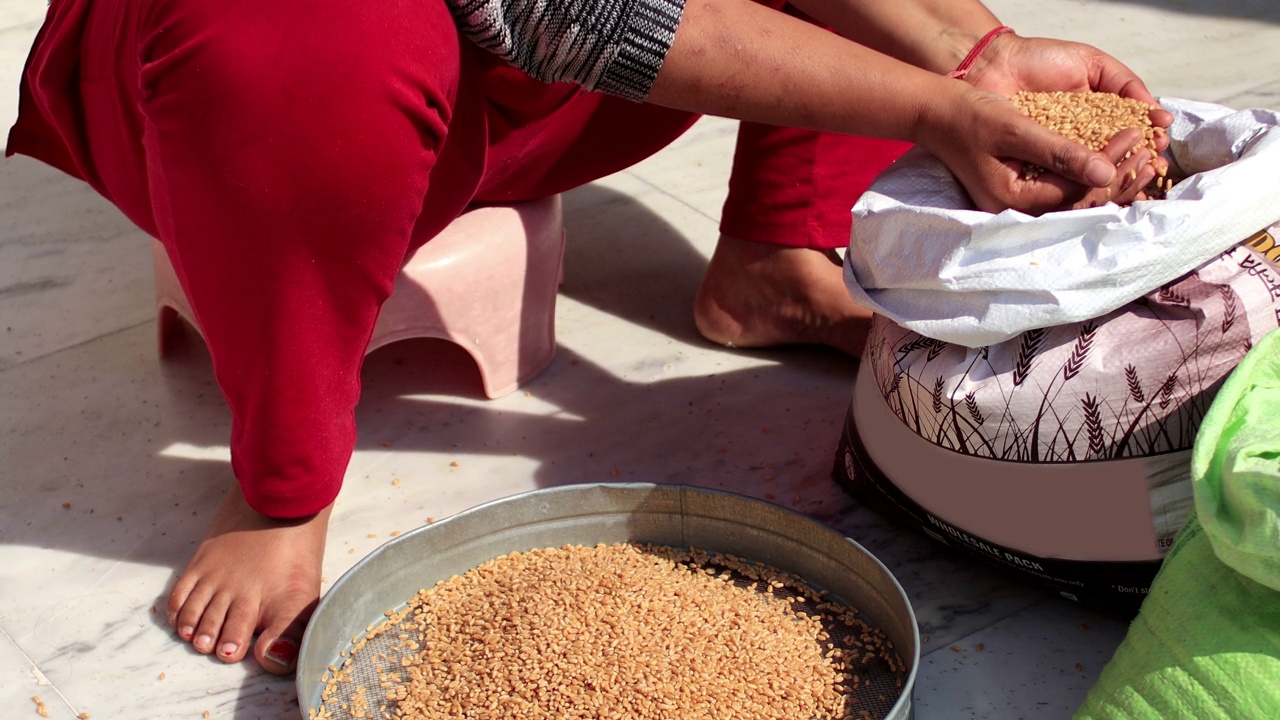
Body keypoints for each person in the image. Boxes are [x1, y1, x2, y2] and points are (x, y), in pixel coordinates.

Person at [8, 0, 1170, 675]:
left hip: (532, 84)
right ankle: (283, 487)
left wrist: (972, 53)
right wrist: (936, 105)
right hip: (252, 79)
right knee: (309, 27)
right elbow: (577, 10)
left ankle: (774, 259)